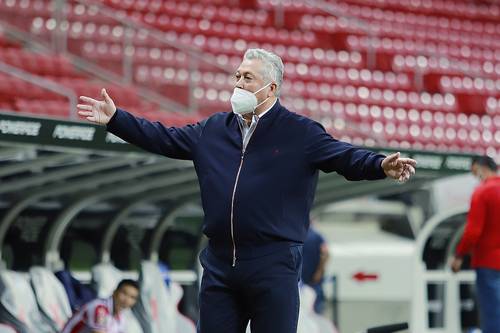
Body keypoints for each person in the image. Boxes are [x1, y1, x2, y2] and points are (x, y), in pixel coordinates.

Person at [77, 48, 417, 333]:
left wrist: (378, 165)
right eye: (237, 76)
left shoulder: (300, 133)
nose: (238, 83)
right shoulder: (213, 129)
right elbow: (164, 137)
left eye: (247, 78)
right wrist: (116, 120)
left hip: (274, 264)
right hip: (220, 264)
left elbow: (343, 156)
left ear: (270, 89)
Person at [451, 155, 500, 333]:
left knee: (493, 314)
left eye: (474, 172)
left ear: (480, 168)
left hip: (488, 262)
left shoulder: (482, 192)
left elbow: (473, 231)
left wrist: (458, 255)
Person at [61, 279, 139, 333]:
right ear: (114, 292)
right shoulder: (99, 308)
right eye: (124, 293)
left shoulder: (121, 317)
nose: (127, 300)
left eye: (132, 297)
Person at [301, 224, 329, 314]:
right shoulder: (317, 236)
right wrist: (319, 272)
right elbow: (325, 254)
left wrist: (319, 272)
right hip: (312, 281)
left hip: (307, 281)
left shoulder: (295, 234)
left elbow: (325, 254)